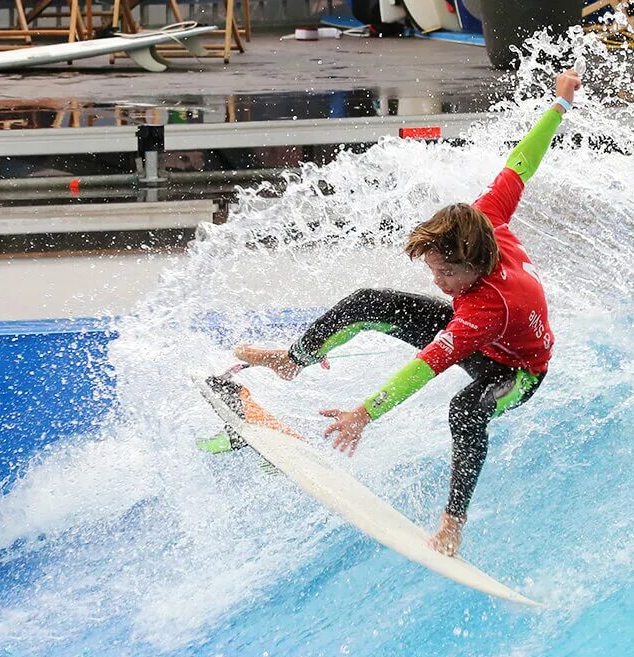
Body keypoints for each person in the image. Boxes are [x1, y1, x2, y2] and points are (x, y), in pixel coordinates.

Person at [231, 69, 581, 557]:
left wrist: (363, 414)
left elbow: (426, 367)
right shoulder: (486, 217)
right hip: (495, 333)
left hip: (517, 369)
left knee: (467, 409)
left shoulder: (485, 307)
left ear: (473, 266)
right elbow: (522, 162)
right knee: (368, 300)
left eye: (444, 275)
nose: (436, 282)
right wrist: (560, 105)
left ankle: (453, 522)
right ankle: (294, 359)